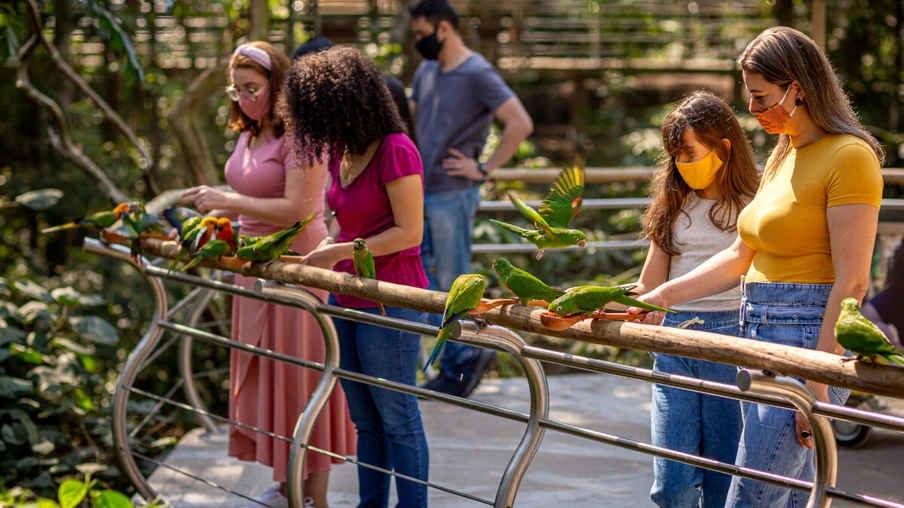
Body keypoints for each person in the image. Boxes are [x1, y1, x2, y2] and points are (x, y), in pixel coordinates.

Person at [630, 27, 884, 507]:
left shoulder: (849, 156)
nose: (752, 110)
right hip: (757, 334)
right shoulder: (783, 154)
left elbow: (852, 280)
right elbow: (741, 256)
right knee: (782, 497)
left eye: (762, 96)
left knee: (750, 496)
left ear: (799, 88)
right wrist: (662, 296)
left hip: (806, 338)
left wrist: (819, 384)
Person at [182, 41, 356, 508]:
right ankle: (285, 488)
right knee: (268, 377)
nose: (242, 98)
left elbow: (300, 208)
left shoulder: (302, 134)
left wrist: (228, 201)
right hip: (253, 268)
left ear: (277, 85)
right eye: (235, 89)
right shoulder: (249, 130)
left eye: (252, 88)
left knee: (302, 380)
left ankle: (311, 497)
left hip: (299, 265)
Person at [285, 46, 431, 507]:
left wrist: (337, 252)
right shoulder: (340, 152)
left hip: (391, 298)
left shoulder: (396, 149)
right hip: (344, 297)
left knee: (398, 419)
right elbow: (342, 220)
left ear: (346, 103)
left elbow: (410, 233)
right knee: (364, 421)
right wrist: (324, 250)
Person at [635, 91, 758, 508]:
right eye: (676, 156)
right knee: (671, 485)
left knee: (726, 482)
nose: (683, 165)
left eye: (690, 153)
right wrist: (583, 303)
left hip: (730, 342)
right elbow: (646, 288)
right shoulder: (672, 205)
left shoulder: (755, 208)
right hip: (672, 344)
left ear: (723, 147)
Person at [408, 0, 534, 397]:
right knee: (419, 281)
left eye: (420, 33)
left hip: (453, 195)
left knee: (452, 282)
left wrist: (483, 168)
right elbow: (410, 119)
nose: (417, 41)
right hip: (419, 193)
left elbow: (520, 123)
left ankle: (461, 364)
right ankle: (462, 356)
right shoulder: (427, 70)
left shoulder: (477, 71)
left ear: (443, 28)